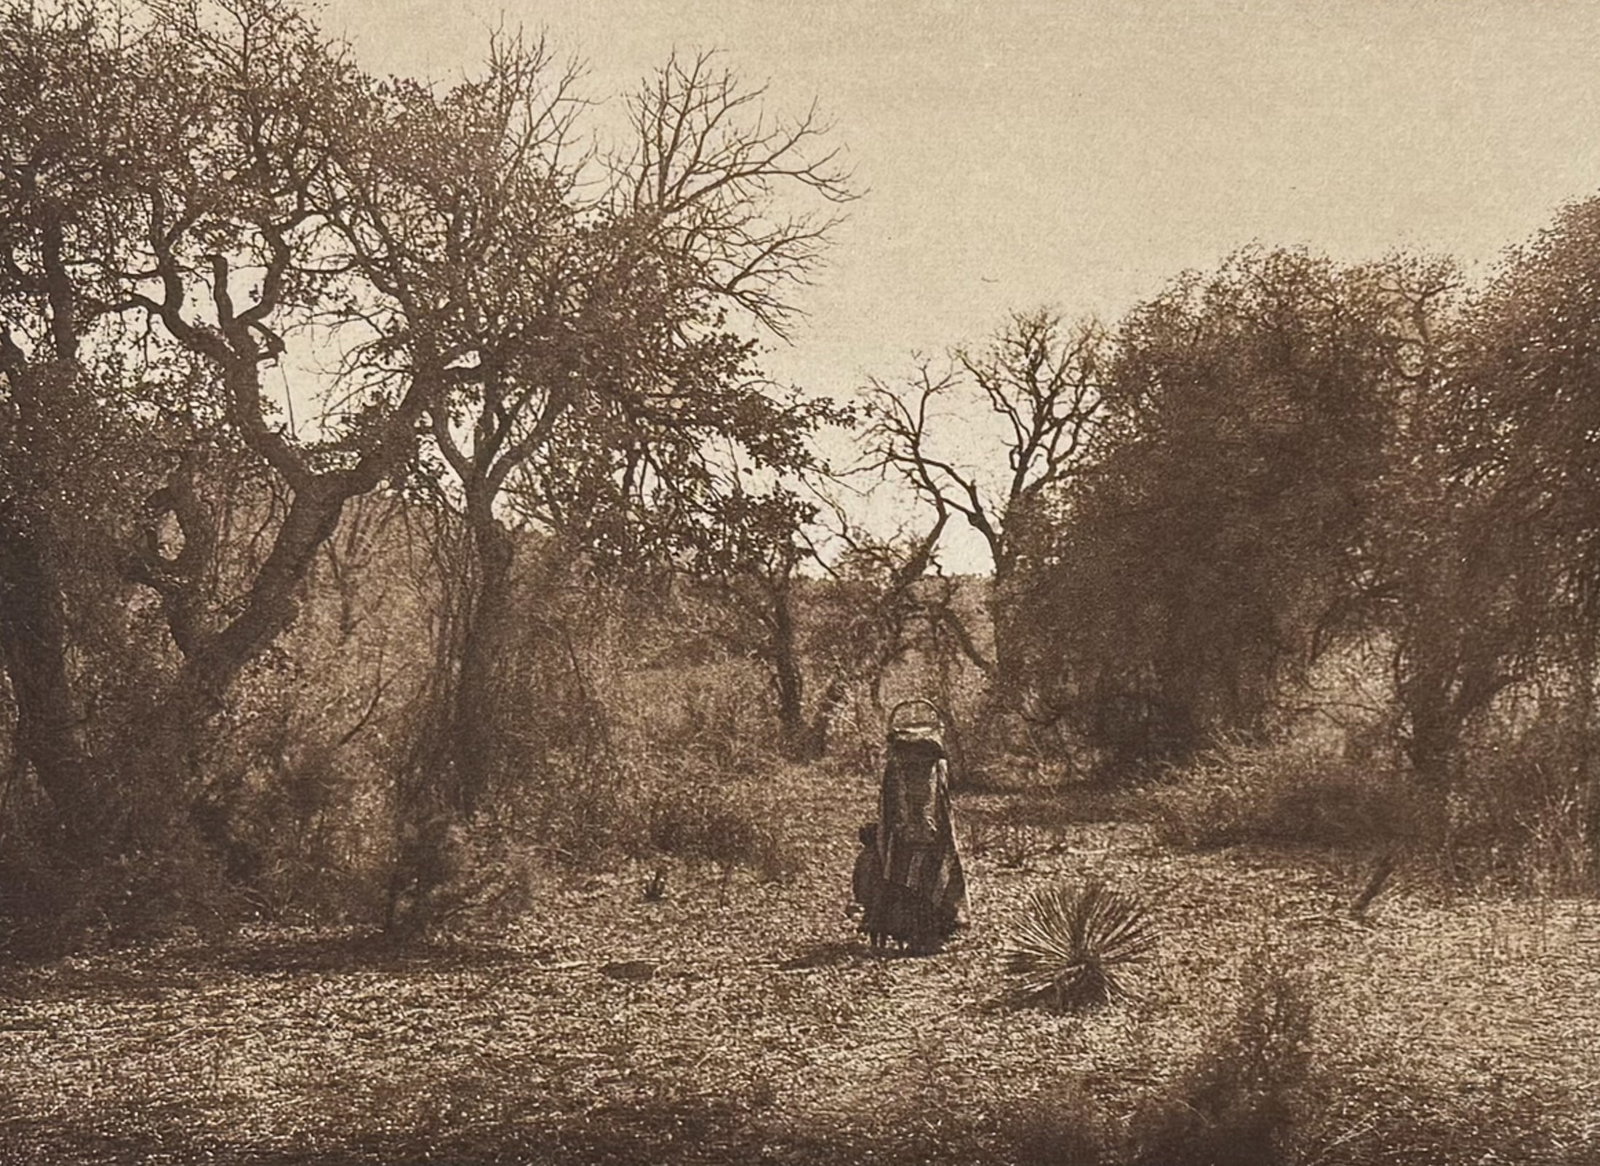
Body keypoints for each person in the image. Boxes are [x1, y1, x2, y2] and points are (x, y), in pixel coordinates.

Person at [861, 700, 968, 953]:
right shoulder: (920, 766)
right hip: (920, 834)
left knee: (910, 879)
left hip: (912, 835)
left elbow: (933, 803)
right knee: (917, 880)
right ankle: (925, 933)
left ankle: (923, 933)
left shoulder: (915, 766)